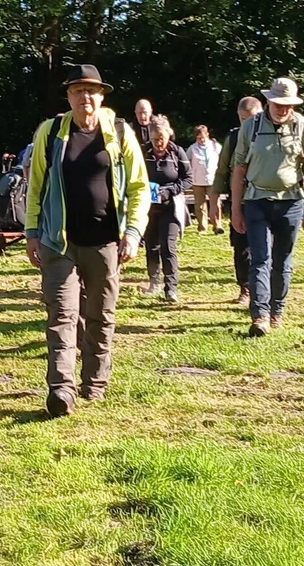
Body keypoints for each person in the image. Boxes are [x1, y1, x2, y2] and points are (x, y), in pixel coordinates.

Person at [24, 64, 148, 417]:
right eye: (78, 91)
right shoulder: (50, 133)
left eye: (91, 90)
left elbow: (139, 188)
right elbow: (36, 188)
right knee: (62, 314)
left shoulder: (120, 133)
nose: (85, 97)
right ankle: (61, 388)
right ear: (68, 97)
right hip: (58, 242)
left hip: (107, 241)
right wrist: (32, 232)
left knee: (100, 315)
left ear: (102, 96)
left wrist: (133, 232)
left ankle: (94, 382)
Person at [229, 77, 304, 336]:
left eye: (289, 104)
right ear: (268, 101)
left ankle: (277, 310)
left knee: (282, 261)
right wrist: (236, 209)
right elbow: (238, 170)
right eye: (279, 103)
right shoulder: (251, 128)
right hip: (257, 201)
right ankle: (260, 316)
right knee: (260, 258)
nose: (283, 109)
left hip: (291, 202)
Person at [216, 95, 262, 305]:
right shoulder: (233, 138)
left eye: (251, 118)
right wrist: (214, 197)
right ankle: (244, 288)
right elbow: (222, 169)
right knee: (241, 247)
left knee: (263, 247)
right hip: (240, 201)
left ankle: (262, 290)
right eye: (243, 119)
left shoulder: (269, 136)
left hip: (263, 199)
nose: (247, 123)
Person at [142, 116, 193, 301]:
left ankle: (171, 288)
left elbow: (188, 178)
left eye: (162, 138)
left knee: (168, 247)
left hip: (171, 206)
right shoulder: (143, 151)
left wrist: (170, 190)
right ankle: (153, 281)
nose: (159, 143)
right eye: (155, 139)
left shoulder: (177, 152)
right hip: (148, 207)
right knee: (151, 245)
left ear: (169, 135)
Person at [187, 124, 222, 235]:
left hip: (213, 180)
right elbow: (186, 163)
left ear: (207, 135)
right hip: (197, 181)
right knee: (200, 205)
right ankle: (202, 227)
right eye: (199, 138)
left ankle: (217, 226)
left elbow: (223, 160)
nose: (201, 140)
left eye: (203, 137)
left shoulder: (216, 146)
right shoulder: (192, 149)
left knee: (215, 203)